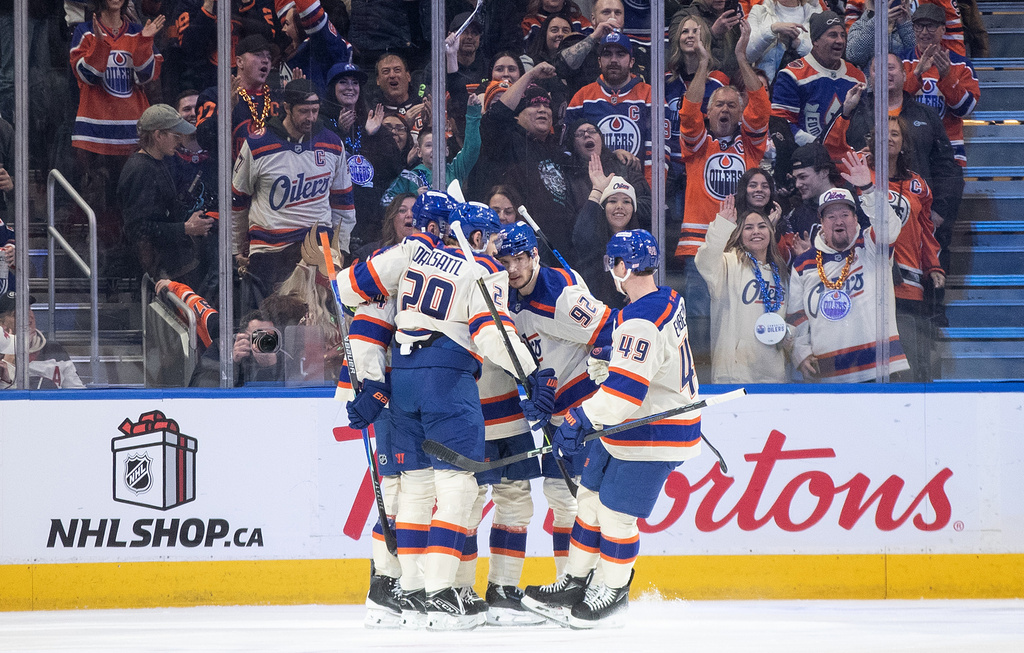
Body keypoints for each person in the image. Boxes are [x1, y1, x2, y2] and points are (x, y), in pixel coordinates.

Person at [332, 191, 557, 630]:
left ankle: (410, 590)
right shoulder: (481, 267)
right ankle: (438, 593)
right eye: (489, 237)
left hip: (401, 381)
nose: (495, 245)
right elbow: (493, 335)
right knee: (456, 488)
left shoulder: (410, 258)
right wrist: (533, 374)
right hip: (447, 381)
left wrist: (372, 383)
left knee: (413, 489)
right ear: (472, 234)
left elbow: (350, 297)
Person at [522, 229, 702, 629]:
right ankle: (575, 582)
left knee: (617, 515)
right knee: (588, 499)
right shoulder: (666, 299)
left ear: (623, 266)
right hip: (628, 428)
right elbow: (655, 362)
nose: (612, 272)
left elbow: (623, 398)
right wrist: (612, 364)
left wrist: (580, 416)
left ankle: (613, 590)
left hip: (654, 432)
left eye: (613, 264)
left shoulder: (639, 322)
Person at [496, 221, 615, 586]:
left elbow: (609, 327)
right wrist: (533, 389)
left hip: (583, 409)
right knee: (560, 497)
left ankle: (593, 583)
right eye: (505, 260)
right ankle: (568, 581)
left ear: (534, 255)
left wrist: (601, 357)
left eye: (520, 258)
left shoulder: (560, 294)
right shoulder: (505, 297)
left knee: (584, 501)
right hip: (555, 412)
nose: (512, 268)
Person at [824, 90, 945, 381]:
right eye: (882, 134)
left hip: (909, 286)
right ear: (871, 142)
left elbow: (925, 232)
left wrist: (934, 267)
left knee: (909, 366)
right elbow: (832, 147)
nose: (889, 138)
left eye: (895, 134)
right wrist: (846, 113)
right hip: (867, 281)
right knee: (873, 366)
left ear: (904, 143)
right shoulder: (859, 172)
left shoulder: (918, 185)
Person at [674, 19, 769, 377]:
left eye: (732, 104)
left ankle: (737, 376)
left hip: (744, 247)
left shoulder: (751, 148)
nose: (726, 109)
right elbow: (687, 113)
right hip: (699, 248)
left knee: (741, 318)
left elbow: (760, 105)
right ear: (709, 113)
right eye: (719, 105)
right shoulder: (699, 147)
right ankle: (698, 382)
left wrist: (741, 55)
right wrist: (702, 65)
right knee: (699, 318)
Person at [231, 79, 356, 311]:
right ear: (287, 108)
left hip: (318, 244)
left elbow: (343, 203)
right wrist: (238, 248)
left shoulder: (332, 143)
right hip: (270, 250)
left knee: (319, 318)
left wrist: (342, 249)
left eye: (315, 111)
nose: (310, 117)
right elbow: (238, 199)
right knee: (273, 320)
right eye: (304, 111)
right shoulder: (258, 144)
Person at [785, 154, 911, 382]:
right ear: (822, 224)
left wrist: (869, 189)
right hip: (831, 374)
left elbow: (889, 227)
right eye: (831, 216)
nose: (839, 221)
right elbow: (796, 316)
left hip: (882, 369)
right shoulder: (804, 263)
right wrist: (800, 354)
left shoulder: (872, 246)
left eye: (845, 214)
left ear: (856, 219)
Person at [844, 53, 964, 264]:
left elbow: (947, 168)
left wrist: (938, 212)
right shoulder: (856, 113)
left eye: (890, 68)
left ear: (904, 73)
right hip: (867, 223)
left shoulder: (926, 115)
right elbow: (839, 156)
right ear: (868, 77)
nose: (884, 74)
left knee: (924, 289)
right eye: (876, 69)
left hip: (919, 220)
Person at [70, 0, 165, 246]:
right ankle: (104, 262)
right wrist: (101, 45)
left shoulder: (136, 31)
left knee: (134, 208)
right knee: (101, 207)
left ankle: (133, 264)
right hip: (95, 135)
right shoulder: (85, 32)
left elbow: (146, 76)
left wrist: (144, 41)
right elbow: (88, 76)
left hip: (132, 133)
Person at [472, 66, 574, 265]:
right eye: (534, 105)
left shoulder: (556, 150)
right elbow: (496, 117)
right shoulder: (508, 141)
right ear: (517, 115)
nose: (543, 109)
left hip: (560, 249)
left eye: (546, 105)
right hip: (519, 250)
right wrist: (530, 75)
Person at [695, 195, 791, 383]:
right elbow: (704, 260)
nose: (756, 231)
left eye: (762, 226)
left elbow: (790, 318)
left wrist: (788, 335)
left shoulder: (781, 273)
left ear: (771, 232)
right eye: (749, 227)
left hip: (775, 376)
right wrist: (722, 225)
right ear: (739, 233)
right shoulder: (728, 264)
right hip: (734, 375)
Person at [120, 104, 215, 289]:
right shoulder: (140, 170)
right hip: (156, 275)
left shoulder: (160, 161)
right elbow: (138, 229)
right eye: (175, 135)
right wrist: (186, 228)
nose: (180, 141)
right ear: (158, 135)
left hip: (169, 268)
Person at [324, 62, 405, 249]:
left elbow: (394, 169)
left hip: (370, 220)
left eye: (355, 83)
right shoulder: (322, 122)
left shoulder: (370, 122)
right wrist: (341, 134)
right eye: (343, 82)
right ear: (332, 88)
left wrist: (373, 135)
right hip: (335, 215)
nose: (350, 88)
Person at [563, 31, 662, 185]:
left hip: (637, 187)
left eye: (621, 54)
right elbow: (569, 151)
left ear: (631, 61)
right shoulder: (582, 97)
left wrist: (649, 192)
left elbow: (658, 152)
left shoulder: (650, 95)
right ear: (599, 61)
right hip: (592, 187)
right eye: (607, 54)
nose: (614, 60)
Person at [770, 10, 865, 147]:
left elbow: (862, 123)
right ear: (815, 41)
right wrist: (819, 146)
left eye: (842, 35)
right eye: (833, 35)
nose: (840, 40)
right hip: (806, 159)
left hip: (847, 156)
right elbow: (782, 123)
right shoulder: (792, 74)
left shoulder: (856, 76)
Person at [902, 3, 980, 168]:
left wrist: (947, 77)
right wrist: (916, 74)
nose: (924, 32)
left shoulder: (962, 65)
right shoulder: (901, 61)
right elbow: (893, 104)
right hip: (909, 150)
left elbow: (965, 109)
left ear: (943, 30)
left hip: (949, 151)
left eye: (930, 26)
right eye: (918, 26)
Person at [380, 93, 482, 206]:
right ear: (419, 152)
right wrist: (413, 198)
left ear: (447, 151)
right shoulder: (409, 177)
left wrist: (473, 113)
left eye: (439, 146)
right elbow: (385, 201)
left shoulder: (455, 170)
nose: (435, 150)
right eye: (428, 145)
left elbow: (472, 148)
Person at [573, 168, 645, 308]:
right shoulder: (592, 241)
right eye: (612, 201)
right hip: (596, 315)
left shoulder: (641, 246)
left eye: (626, 201)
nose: (620, 207)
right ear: (603, 207)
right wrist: (597, 190)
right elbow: (580, 235)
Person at [563, 118, 652, 221]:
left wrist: (620, 205)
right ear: (573, 144)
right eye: (580, 134)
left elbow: (649, 206)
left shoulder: (623, 163)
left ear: (601, 138)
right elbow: (569, 219)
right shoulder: (568, 175)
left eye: (592, 131)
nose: (587, 135)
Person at [0, 292, 85, 390]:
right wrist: (9, 361)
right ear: (2, 323)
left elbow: (78, 393)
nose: (27, 315)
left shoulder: (54, 350)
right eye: (16, 313)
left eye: (28, 309)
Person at [277, 0, 354, 98]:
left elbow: (309, 11)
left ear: (301, 25)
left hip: (319, 109)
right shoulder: (291, 48)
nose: (283, 29)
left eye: (287, 24)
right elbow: (283, 5)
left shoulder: (317, 47)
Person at [845, 0, 965, 56]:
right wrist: (877, 20)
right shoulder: (862, 24)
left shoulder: (916, 27)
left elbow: (917, 54)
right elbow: (854, 55)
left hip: (911, 85)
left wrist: (954, 63)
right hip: (872, 89)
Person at [745, 0, 822, 82]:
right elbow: (749, 55)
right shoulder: (759, 11)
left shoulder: (816, 14)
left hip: (806, 86)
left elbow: (823, 57)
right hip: (767, 87)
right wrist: (772, 30)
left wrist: (798, 44)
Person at [844, 0, 915, 71]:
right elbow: (854, 57)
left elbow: (916, 55)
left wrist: (904, 25)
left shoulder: (911, 25)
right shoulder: (860, 25)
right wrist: (877, 22)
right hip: (872, 80)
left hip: (904, 80)